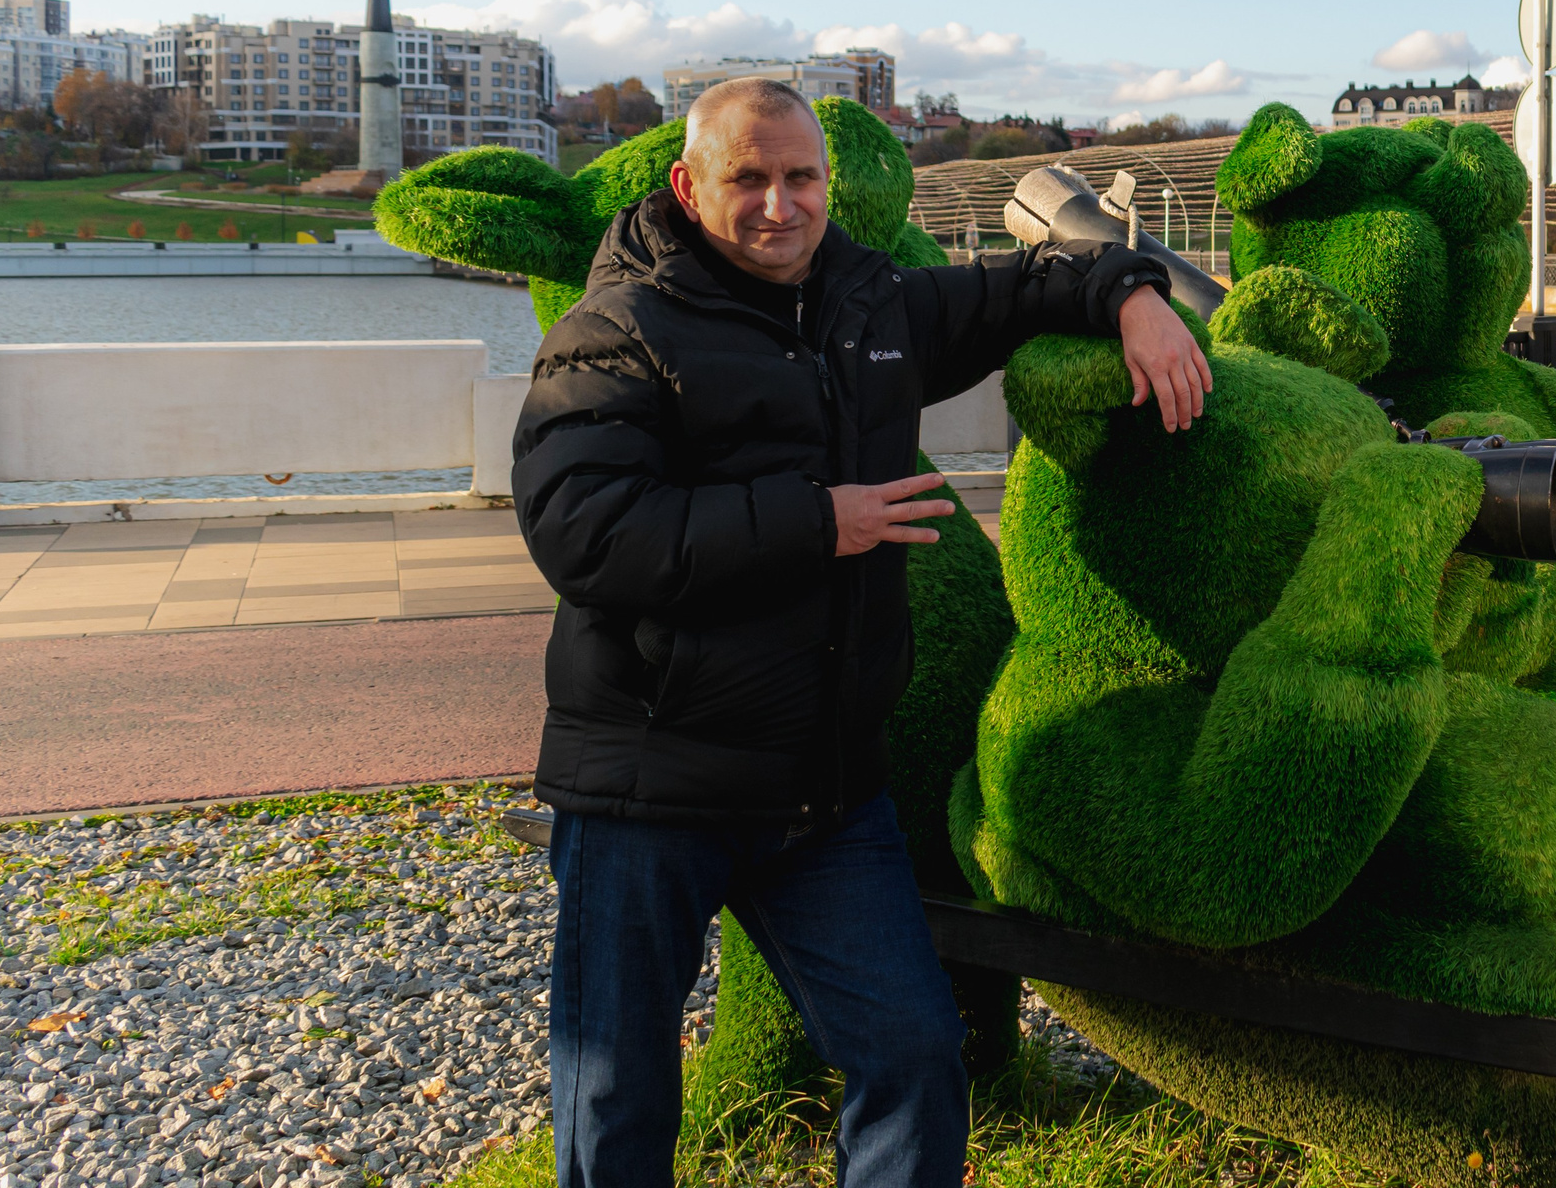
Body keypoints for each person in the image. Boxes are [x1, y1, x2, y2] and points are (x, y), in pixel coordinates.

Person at [508, 77, 1212, 1188]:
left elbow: (1024, 287)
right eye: (750, 178)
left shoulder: (871, 305)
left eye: (802, 178)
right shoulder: (618, 328)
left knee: (916, 1055)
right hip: (651, 782)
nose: (780, 204)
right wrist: (813, 520)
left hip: (822, 791)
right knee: (614, 1091)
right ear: (689, 186)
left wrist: (1131, 293)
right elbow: (581, 533)